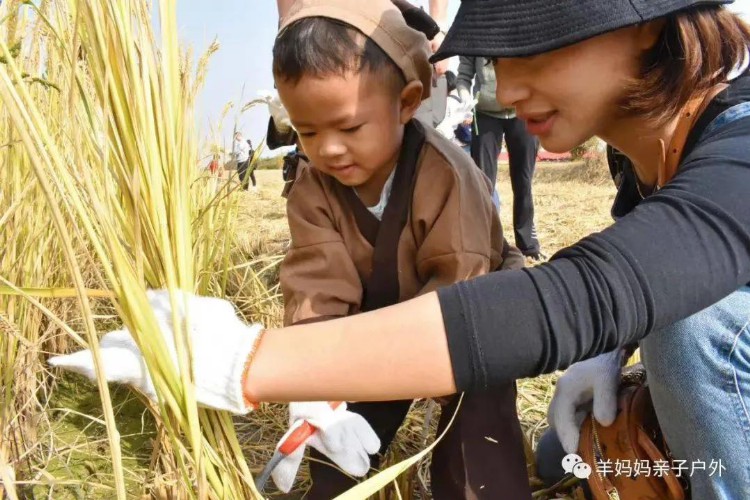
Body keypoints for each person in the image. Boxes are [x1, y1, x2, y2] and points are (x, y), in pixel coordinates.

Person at [51, 1, 750, 498]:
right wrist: (614, 352)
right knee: (566, 457)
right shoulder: (648, 157)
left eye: (534, 44)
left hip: (478, 313)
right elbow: (317, 276)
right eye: (498, 58)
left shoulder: (740, 141)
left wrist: (249, 362)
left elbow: (575, 298)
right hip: (426, 325)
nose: (504, 88)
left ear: (647, 22)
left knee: (690, 332)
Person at [269, 2, 529, 497]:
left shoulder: (448, 175)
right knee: (337, 431)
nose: (327, 150)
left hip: (470, 317)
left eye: (348, 128)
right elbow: (316, 284)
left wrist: (418, 365)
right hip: (377, 321)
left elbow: (462, 284)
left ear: (407, 102)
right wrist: (313, 380)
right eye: (307, 132)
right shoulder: (312, 188)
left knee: (479, 425)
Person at [458, 55, 543, 260]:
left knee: (523, 180)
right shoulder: (474, 31)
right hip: (485, 113)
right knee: (483, 183)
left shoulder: (520, 27)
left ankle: (528, 245)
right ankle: (486, 244)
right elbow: (464, 76)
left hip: (522, 111)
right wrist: (465, 99)